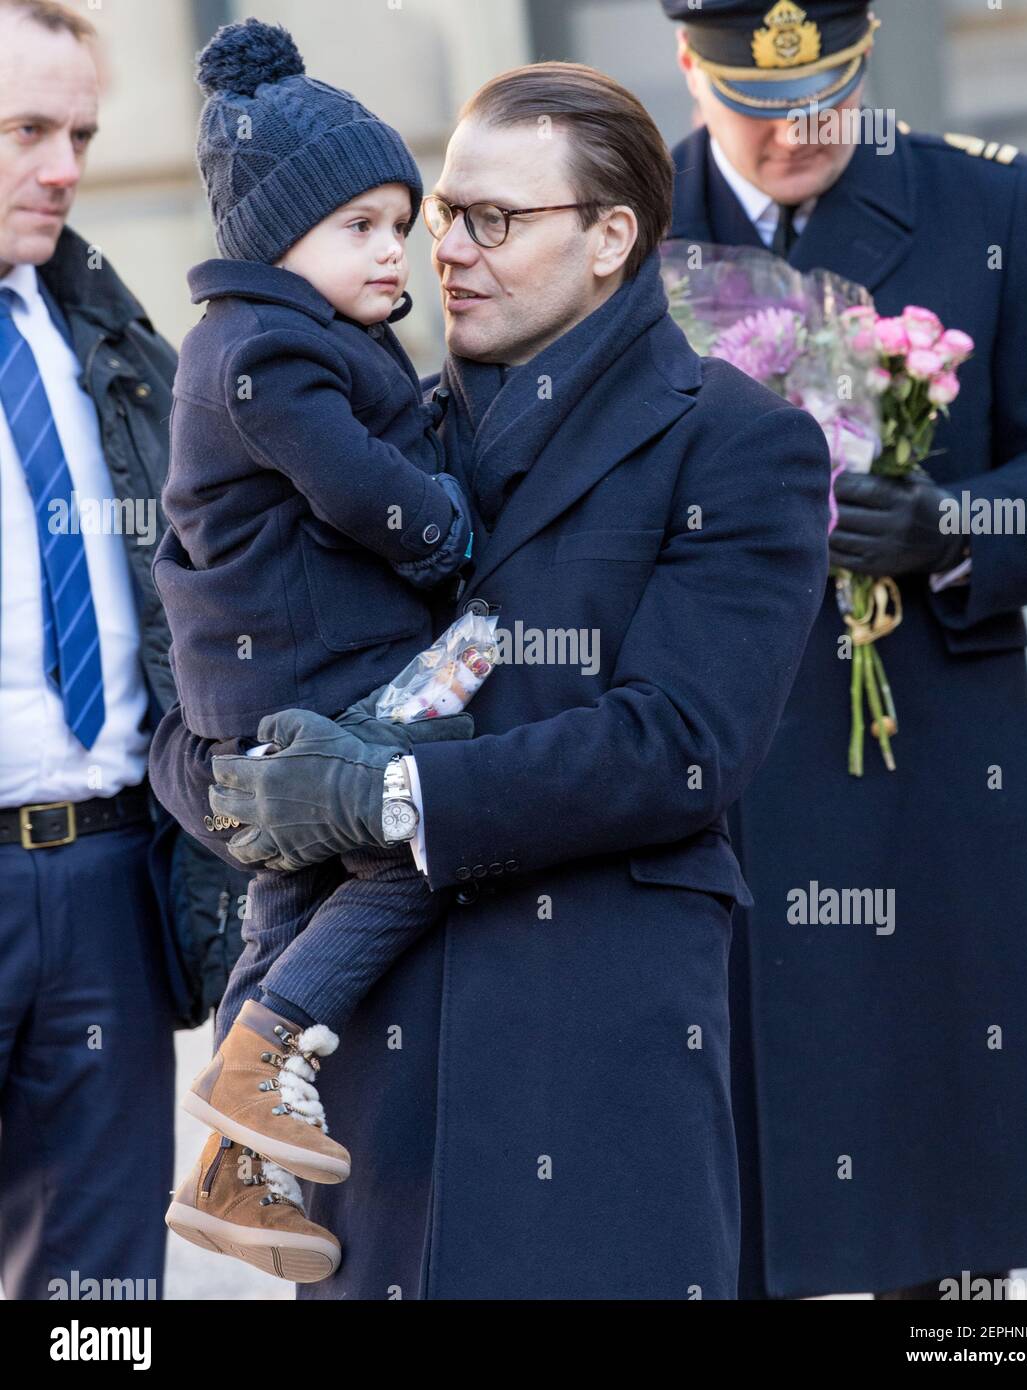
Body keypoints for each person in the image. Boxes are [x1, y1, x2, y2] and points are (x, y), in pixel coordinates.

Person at [150, 60, 831, 1299]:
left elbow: (680, 744)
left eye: (491, 220)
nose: (444, 248)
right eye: (442, 214)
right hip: (371, 1077)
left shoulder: (737, 439)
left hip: (590, 1054)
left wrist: (387, 794)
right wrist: (248, 791)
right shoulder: (352, 427)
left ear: (611, 237)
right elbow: (196, 680)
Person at [662, 0, 1027, 1298]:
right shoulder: (617, 229)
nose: (799, 131)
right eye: (759, 103)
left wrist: (955, 522)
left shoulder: (988, 206)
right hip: (716, 782)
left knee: (946, 1206)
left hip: (927, 781)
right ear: (688, 67)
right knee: (724, 1193)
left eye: (826, 99)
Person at [155, 19, 482, 1283]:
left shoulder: (274, 336)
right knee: (421, 838)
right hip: (309, 683)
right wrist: (447, 531)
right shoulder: (269, 348)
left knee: (286, 900)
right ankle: (271, 1041)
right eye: (357, 226)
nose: (390, 248)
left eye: (399, 222)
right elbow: (360, 492)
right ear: (273, 243)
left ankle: (234, 1168)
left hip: (276, 685)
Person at [0, 0, 241, 1301]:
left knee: (103, 1305)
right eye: (27, 129)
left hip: (104, 878)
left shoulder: (112, 338)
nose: (66, 168)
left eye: (81, 131)